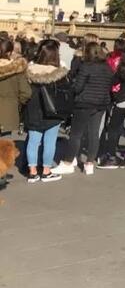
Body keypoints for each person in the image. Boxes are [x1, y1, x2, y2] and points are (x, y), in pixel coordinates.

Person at [51, 42, 113, 176]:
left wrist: (72, 87)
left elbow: (78, 87)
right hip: (101, 103)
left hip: (85, 103)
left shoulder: (86, 67)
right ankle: (89, 163)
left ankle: (68, 162)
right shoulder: (107, 67)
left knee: (76, 134)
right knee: (94, 133)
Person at [23, 40, 71, 183]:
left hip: (32, 109)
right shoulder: (60, 73)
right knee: (50, 141)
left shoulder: (29, 70)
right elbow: (67, 92)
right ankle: (46, 171)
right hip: (53, 111)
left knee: (33, 140)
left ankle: (32, 172)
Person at [0, 38, 31, 135]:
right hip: (8, 110)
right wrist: (17, 103)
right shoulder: (17, 70)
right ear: (9, 52)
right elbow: (26, 92)